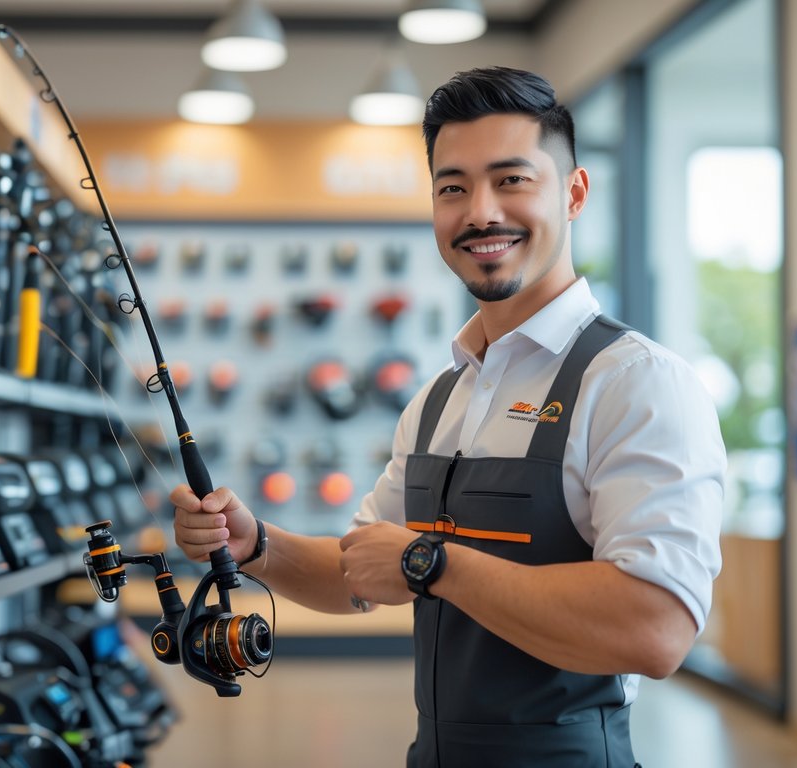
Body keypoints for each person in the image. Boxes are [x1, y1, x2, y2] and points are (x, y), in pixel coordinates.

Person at [170, 65, 725, 768]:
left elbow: (654, 631)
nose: (479, 212)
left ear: (574, 193)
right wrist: (255, 545)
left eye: (511, 180)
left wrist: (428, 561)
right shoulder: (440, 397)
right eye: (452, 187)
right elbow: (360, 574)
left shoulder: (636, 384)